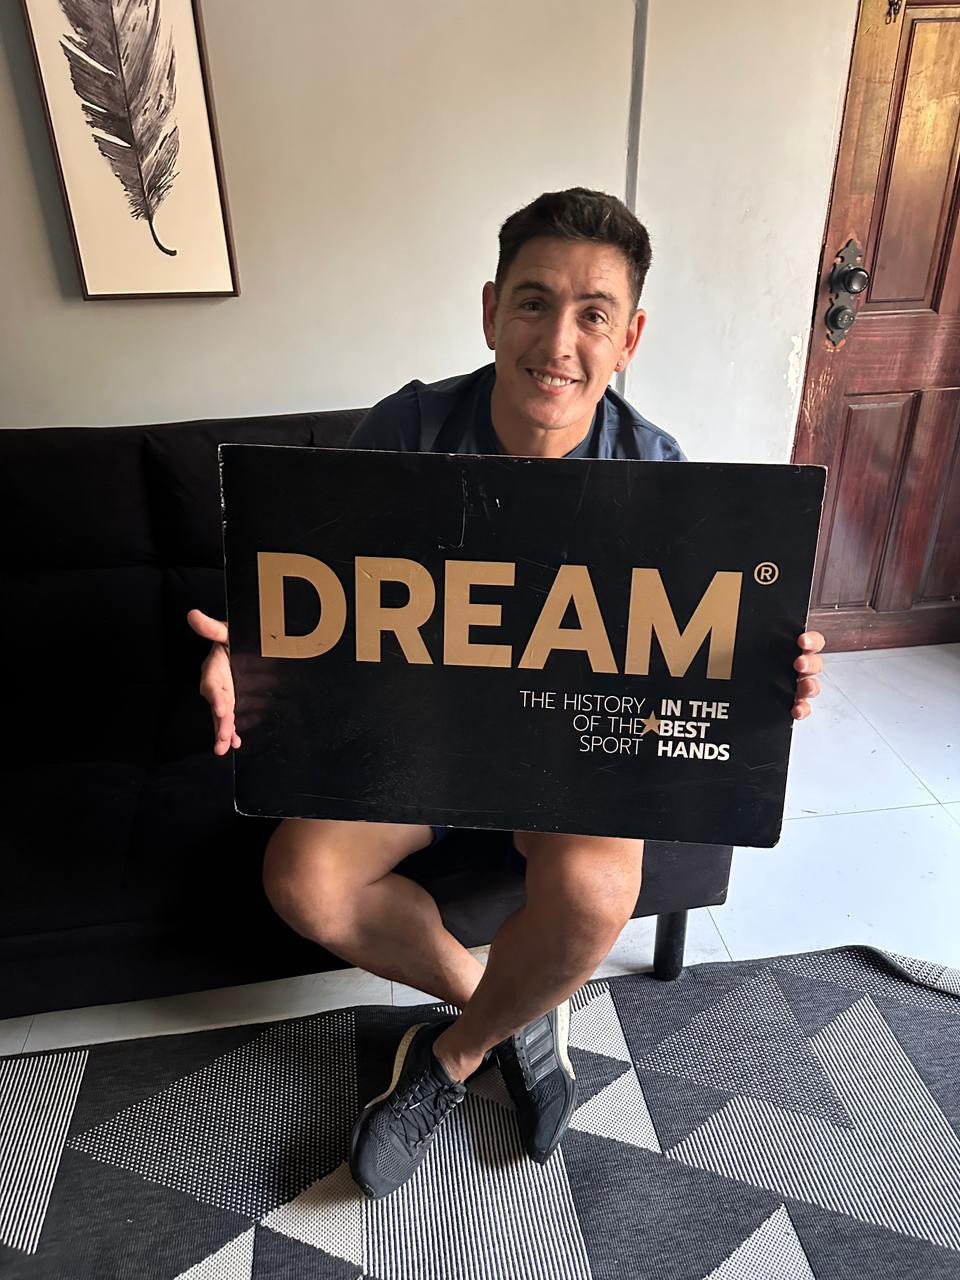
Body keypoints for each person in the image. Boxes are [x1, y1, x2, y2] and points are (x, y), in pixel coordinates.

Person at [188, 188, 825, 1200]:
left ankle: (447, 1058)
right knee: (304, 879)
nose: (558, 341)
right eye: (534, 302)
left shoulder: (659, 474)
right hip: (413, 746)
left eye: (593, 314)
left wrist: (763, 681)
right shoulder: (408, 428)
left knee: (599, 891)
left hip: (569, 755)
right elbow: (308, 591)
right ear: (491, 311)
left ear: (630, 339)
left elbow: (684, 672)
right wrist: (248, 648)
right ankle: (511, 1017)